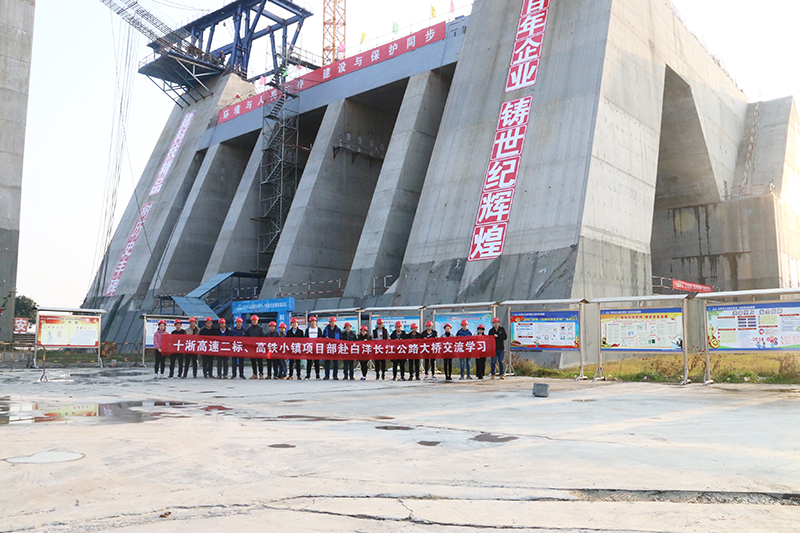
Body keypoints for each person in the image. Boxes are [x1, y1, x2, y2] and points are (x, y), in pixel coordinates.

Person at [246, 315, 265, 379]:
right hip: (252, 348)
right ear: (251, 321)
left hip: (259, 347)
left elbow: (263, 337)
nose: (254, 321)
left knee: (260, 361)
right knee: (253, 361)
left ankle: (261, 374)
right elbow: (246, 338)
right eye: (253, 320)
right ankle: (254, 374)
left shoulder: (260, 329)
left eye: (255, 320)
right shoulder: (249, 329)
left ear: (257, 321)